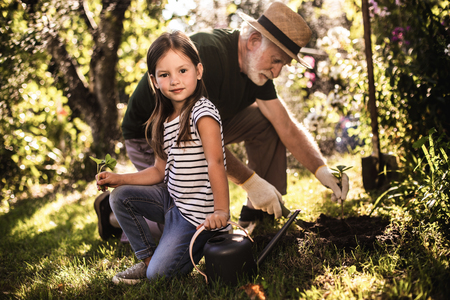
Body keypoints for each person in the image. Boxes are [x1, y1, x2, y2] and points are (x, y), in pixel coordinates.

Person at [95, 1, 350, 241]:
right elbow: (199, 143)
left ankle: (256, 212)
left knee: (265, 120)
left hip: (201, 127)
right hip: (154, 134)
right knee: (182, 218)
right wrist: (250, 181)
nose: (277, 72)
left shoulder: (257, 72)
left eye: (282, 65)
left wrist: (322, 170)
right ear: (253, 41)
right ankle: (113, 214)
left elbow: (285, 125)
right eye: (275, 61)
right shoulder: (208, 55)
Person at [95, 31, 230, 285]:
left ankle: (161, 264)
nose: (175, 80)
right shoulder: (162, 119)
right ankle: (147, 260)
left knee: (159, 276)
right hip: (172, 201)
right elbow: (158, 171)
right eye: (165, 74)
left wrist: (221, 211)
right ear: (154, 80)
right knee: (121, 196)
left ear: (198, 71)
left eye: (182, 71)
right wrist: (119, 178)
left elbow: (216, 162)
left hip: (197, 216)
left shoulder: (203, 112)